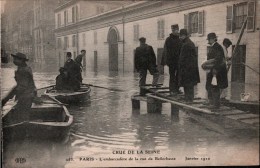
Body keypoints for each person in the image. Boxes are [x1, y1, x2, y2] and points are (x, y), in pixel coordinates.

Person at [2, 52, 36, 124]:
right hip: (28, 95)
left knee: (22, 116)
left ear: (21, 60)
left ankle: (22, 128)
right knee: (23, 114)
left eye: (16, 59)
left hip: (25, 96)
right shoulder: (25, 68)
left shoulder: (23, 71)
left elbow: (22, 87)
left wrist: (6, 98)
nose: (14, 60)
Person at [205, 33, 228, 109]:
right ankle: (211, 102)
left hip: (216, 71)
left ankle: (215, 104)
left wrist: (214, 70)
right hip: (212, 70)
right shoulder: (213, 47)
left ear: (213, 39)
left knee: (215, 87)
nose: (208, 41)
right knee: (210, 86)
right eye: (208, 40)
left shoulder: (217, 47)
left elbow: (218, 60)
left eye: (209, 39)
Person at [178, 29, 200, 102]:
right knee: (190, 86)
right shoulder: (190, 43)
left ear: (184, 36)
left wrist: (180, 68)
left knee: (187, 86)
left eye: (180, 36)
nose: (180, 38)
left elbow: (182, 59)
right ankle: (190, 100)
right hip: (192, 69)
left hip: (187, 70)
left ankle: (188, 101)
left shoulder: (185, 44)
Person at [161, 24, 182, 95]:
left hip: (178, 61)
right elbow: (165, 51)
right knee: (172, 75)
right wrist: (166, 61)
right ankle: (172, 90)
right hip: (172, 61)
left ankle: (177, 89)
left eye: (176, 30)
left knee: (178, 75)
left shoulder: (180, 39)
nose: (175, 31)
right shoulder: (168, 39)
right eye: (173, 30)